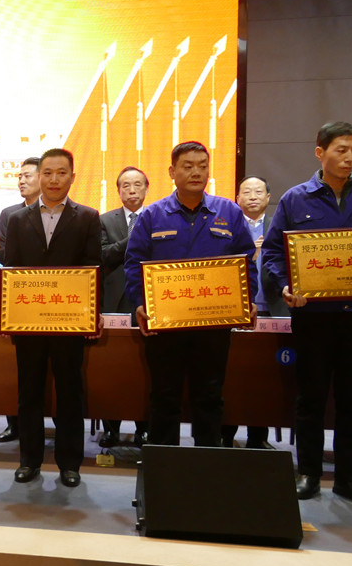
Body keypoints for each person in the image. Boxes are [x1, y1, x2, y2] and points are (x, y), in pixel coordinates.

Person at [262, 122, 352, 507]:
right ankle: (308, 473)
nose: (349, 158)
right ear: (320, 153)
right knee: (311, 397)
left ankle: (350, 477)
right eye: (341, 150)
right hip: (314, 317)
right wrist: (285, 286)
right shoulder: (295, 199)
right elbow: (272, 253)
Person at [124, 142, 257, 447]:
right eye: (188, 166)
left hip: (213, 325)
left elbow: (246, 261)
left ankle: (206, 462)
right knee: (164, 395)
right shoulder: (153, 215)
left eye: (202, 166)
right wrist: (140, 303)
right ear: (172, 172)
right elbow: (134, 263)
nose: (197, 172)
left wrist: (248, 299)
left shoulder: (229, 212)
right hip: (165, 326)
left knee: (209, 395)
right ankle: (164, 464)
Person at [3, 148, 101, 486]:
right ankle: (29, 460)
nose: (54, 179)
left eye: (61, 173)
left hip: (69, 321)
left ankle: (70, 463)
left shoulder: (87, 217)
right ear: (39, 176)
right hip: (28, 321)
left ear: (72, 177)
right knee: (29, 391)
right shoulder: (17, 219)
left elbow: (93, 267)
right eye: (48, 173)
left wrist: (92, 314)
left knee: (70, 391)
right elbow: (11, 268)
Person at [220, 175, 281, 450]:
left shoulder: (278, 226)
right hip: (233, 309)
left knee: (263, 376)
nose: (253, 196)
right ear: (237, 199)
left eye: (258, 192)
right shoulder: (227, 226)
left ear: (268, 197)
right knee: (230, 375)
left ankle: (258, 437)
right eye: (247, 192)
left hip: (270, 309)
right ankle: (225, 434)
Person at [98, 166, 149, 448]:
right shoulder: (104, 220)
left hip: (146, 300)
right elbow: (102, 255)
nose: (132, 190)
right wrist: (132, 240)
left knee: (144, 368)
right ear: (118, 190)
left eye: (137, 184)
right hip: (113, 300)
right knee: (111, 368)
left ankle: (144, 428)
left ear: (146, 188)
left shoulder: (156, 218)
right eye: (126, 185)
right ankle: (111, 429)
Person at [0, 156, 40, 443]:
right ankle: (16, 424)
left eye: (27, 175)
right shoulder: (10, 214)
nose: (22, 180)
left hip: (56, 299)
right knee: (19, 368)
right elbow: (4, 255)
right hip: (20, 296)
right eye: (19, 176)